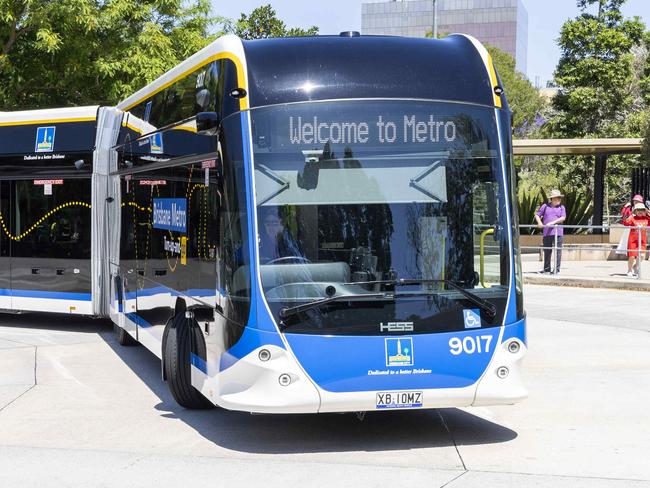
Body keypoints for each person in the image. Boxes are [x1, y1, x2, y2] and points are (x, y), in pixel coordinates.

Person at [535, 189, 566, 274]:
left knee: (558, 251)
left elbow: (563, 218)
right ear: (552, 199)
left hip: (558, 233)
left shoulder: (562, 207)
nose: (558, 200)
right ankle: (546, 269)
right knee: (547, 251)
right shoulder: (545, 206)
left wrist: (553, 222)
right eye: (556, 198)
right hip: (547, 233)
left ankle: (556, 270)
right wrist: (540, 222)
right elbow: (537, 215)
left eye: (559, 198)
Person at [622, 202, 650, 277]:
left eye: (642, 210)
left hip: (642, 241)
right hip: (632, 242)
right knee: (632, 257)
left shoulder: (646, 219)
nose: (640, 211)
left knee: (642, 255)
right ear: (635, 211)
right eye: (638, 210)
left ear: (644, 211)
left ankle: (635, 266)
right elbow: (625, 222)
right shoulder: (632, 218)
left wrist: (648, 213)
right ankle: (629, 269)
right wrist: (625, 210)